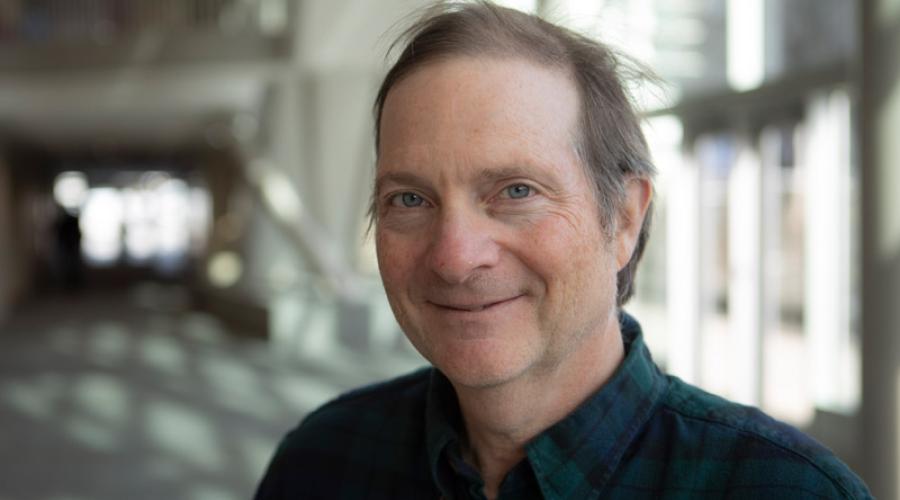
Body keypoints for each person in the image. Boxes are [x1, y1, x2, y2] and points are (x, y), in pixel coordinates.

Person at [255, 2, 871, 498]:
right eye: (410, 200)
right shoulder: (322, 462)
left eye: (516, 191)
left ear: (625, 218)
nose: (454, 256)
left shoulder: (785, 490)